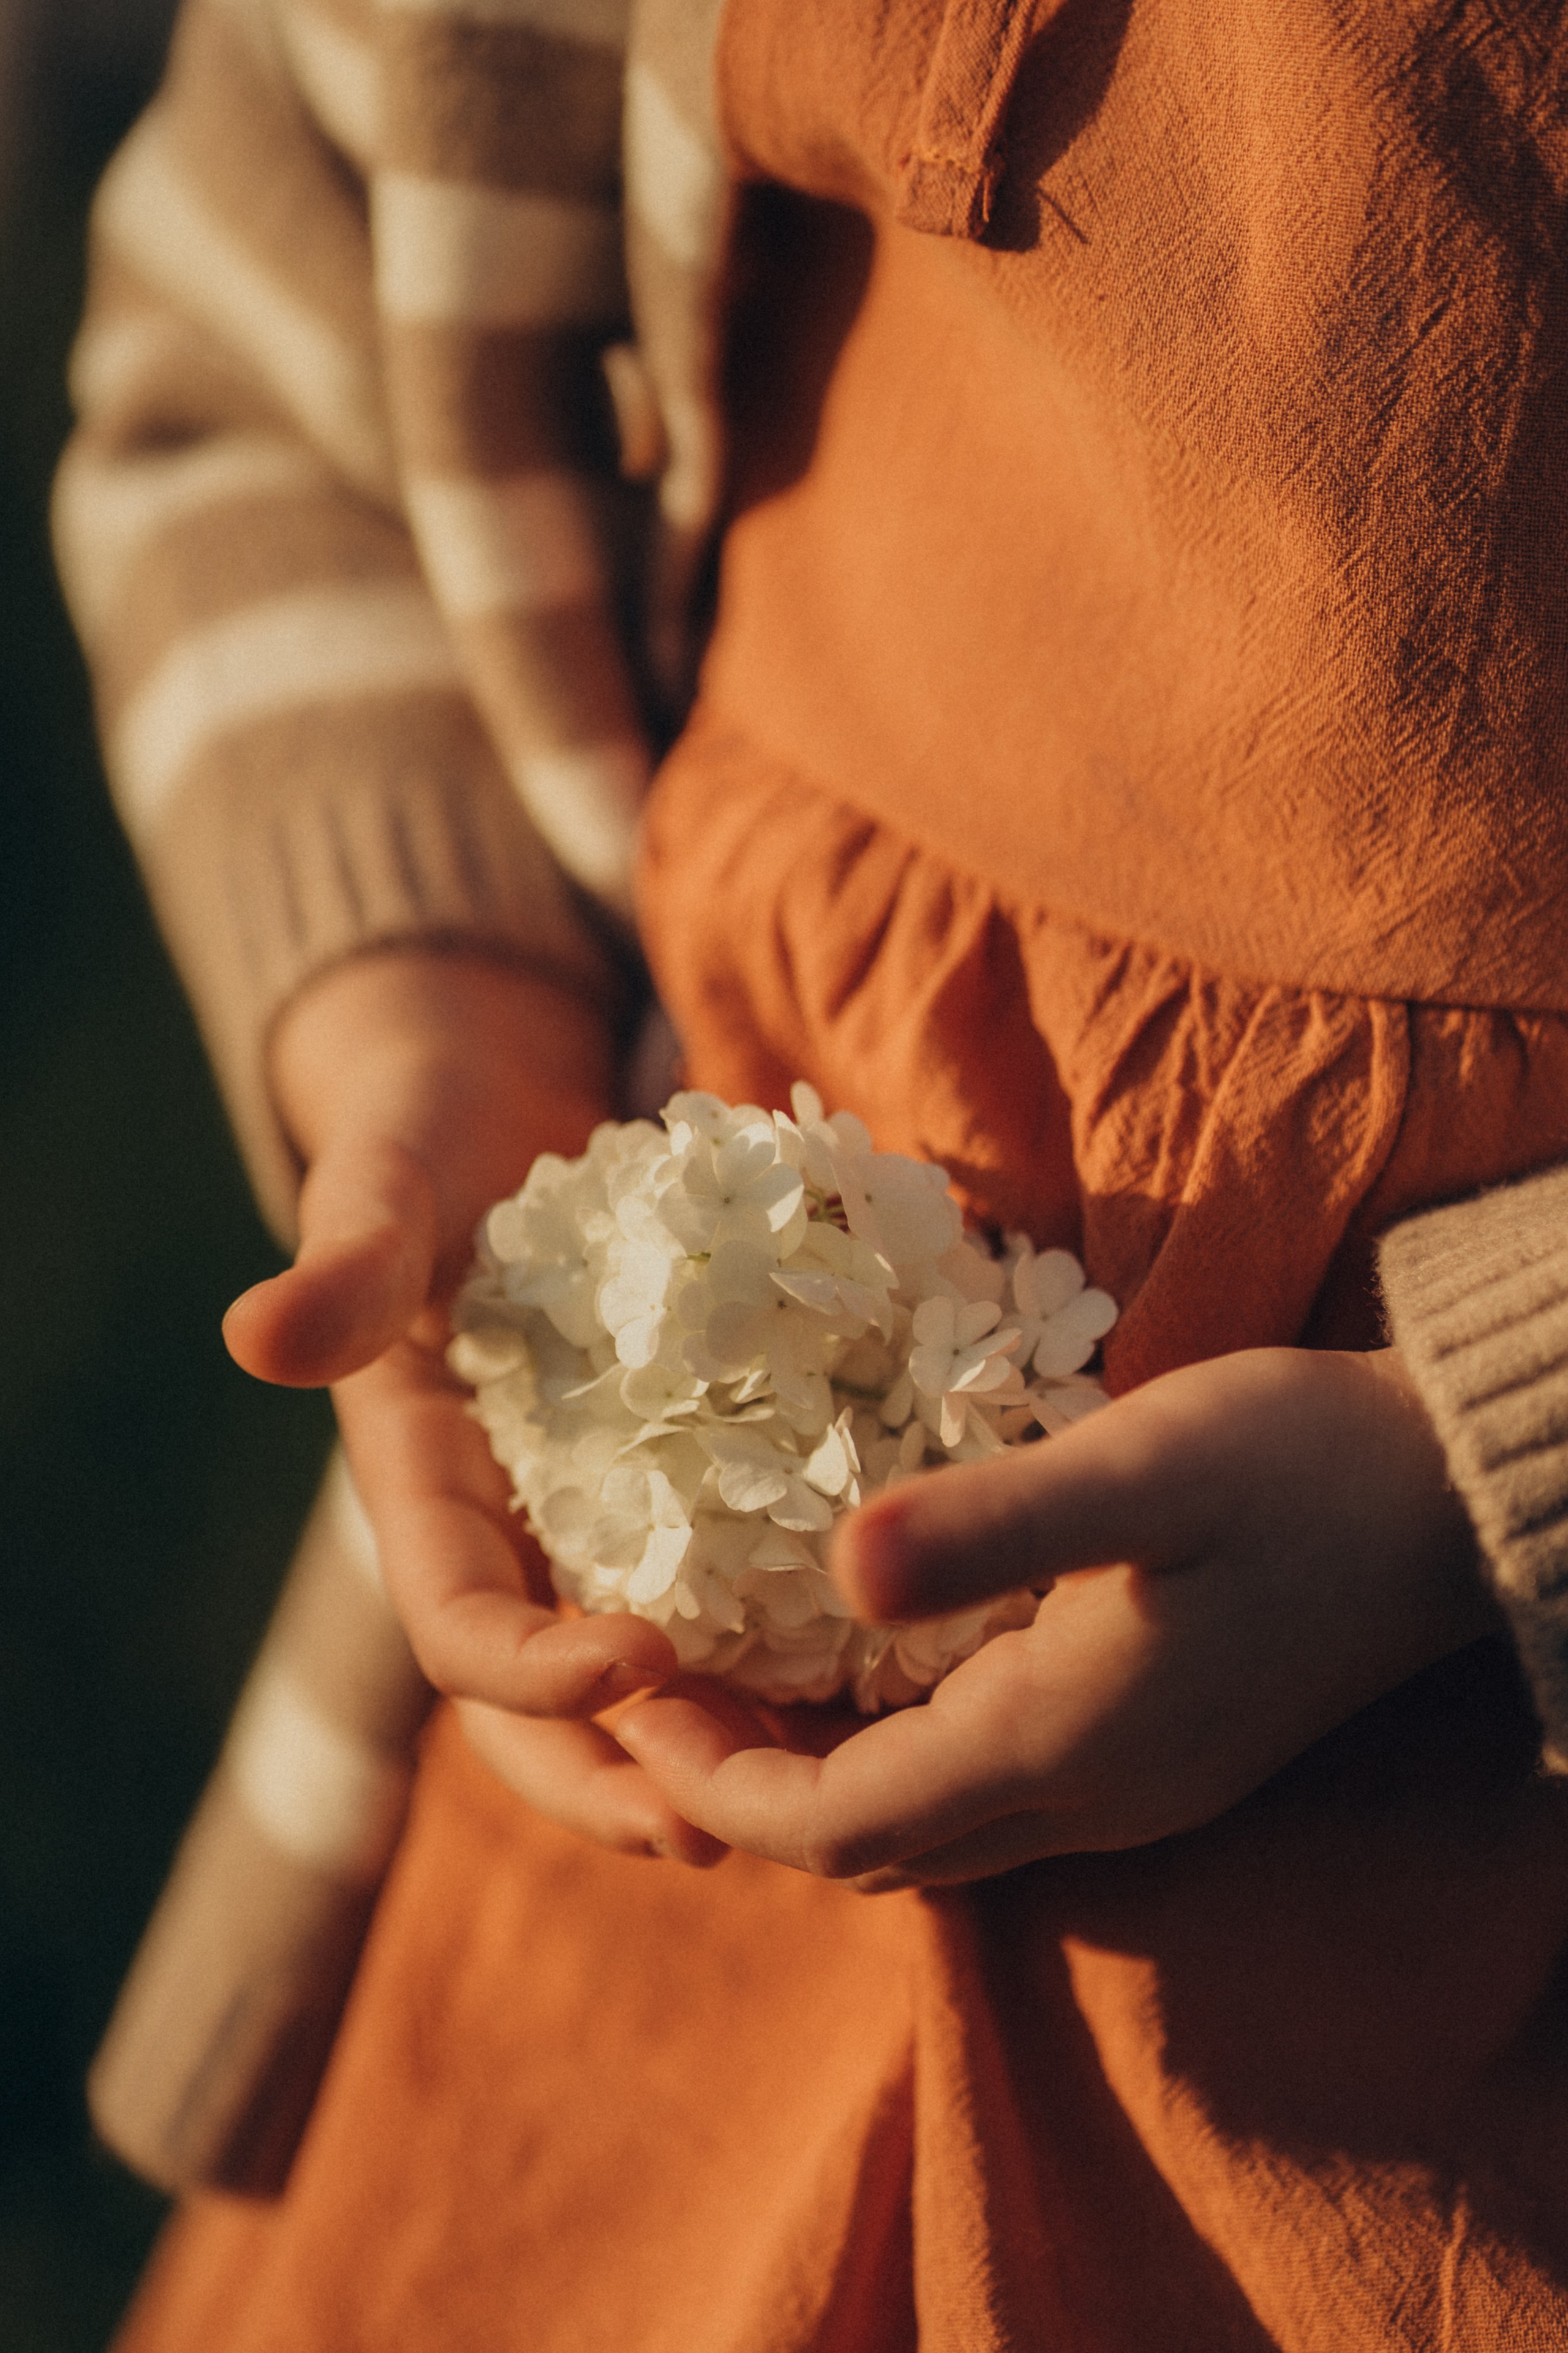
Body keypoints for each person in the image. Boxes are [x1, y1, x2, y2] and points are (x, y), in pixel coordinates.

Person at [57, 0, 1568, 2343]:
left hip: (1452, 1992)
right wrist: (436, 1015)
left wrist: (1477, 1462)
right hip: (613, 1886)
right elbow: (265, 296)